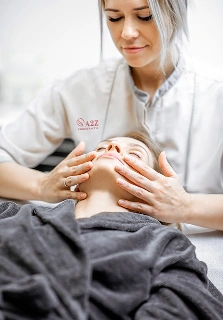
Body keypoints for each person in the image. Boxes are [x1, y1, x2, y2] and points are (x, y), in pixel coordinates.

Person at [0, 0, 223, 230]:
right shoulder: (78, 89)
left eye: (145, 16)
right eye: (114, 18)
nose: (126, 33)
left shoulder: (216, 96)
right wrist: (41, 185)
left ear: (177, 13)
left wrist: (187, 207)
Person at [0, 134, 223, 319]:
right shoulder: (17, 214)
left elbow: (182, 308)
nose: (112, 146)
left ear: (157, 190)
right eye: (101, 147)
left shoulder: (164, 245)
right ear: (78, 176)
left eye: (135, 154)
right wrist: (41, 184)